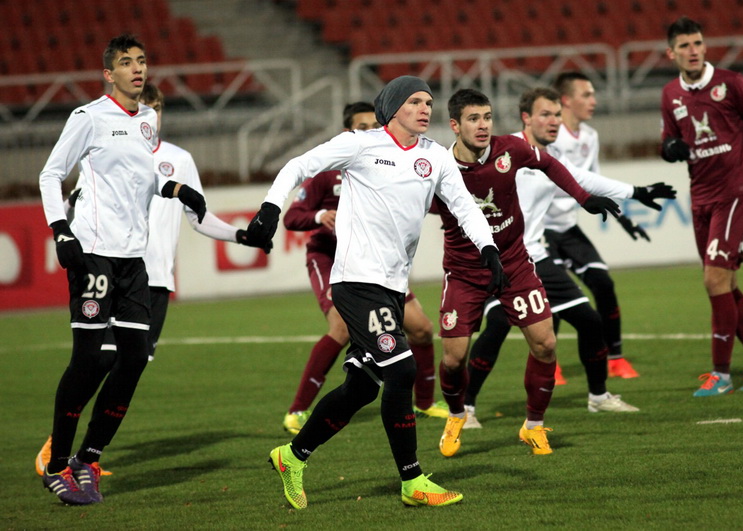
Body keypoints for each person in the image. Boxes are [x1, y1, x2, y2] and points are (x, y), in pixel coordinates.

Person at [246, 76, 502, 509]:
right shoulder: (361, 144)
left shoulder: (435, 156)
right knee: (401, 370)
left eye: (428, 102)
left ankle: (293, 455)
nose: (425, 108)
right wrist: (271, 207)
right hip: (356, 281)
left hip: (393, 287)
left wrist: (488, 248)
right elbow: (297, 166)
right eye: (415, 101)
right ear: (393, 107)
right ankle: (412, 480)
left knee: (362, 388)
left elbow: (463, 207)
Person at [34, 82, 267, 478]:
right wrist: (69, 238)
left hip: (155, 279)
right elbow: (74, 202)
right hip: (110, 266)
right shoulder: (106, 151)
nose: (151, 114)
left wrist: (240, 236)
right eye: (145, 106)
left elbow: (198, 217)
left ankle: (86, 458)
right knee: (99, 359)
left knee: (130, 364)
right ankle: (59, 450)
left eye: (156, 107)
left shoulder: (179, 159)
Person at [38, 34, 207, 505]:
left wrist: (175, 189)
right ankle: (56, 464)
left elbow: (142, 176)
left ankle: (88, 457)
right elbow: (51, 174)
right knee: (87, 360)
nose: (137, 68)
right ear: (108, 74)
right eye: (127, 63)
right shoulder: (89, 117)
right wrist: (61, 230)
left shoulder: (147, 120)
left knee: (133, 359)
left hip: (134, 258)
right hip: (94, 252)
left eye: (142, 61)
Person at [462, 87, 676, 428]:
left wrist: (636, 192)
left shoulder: (546, 158)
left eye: (557, 115)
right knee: (498, 325)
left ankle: (598, 397)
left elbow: (582, 178)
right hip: (496, 260)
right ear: (526, 118)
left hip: (534, 256)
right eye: (545, 114)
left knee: (590, 321)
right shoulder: (505, 150)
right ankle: (466, 408)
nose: (554, 121)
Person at [435, 88, 622, 457]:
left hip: (514, 262)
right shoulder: (438, 167)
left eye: (487, 117)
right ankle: (457, 414)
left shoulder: (510, 149)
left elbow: (549, 164)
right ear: (455, 125)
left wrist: (584, 198)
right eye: (473, 119)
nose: (483, 125)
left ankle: (533, 426)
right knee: (454, 359)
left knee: (546, 344)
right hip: (465, 271)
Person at [281, 102, 446, 434]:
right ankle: (297, 411)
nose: (370, 131)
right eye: (362, 126)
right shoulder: (328, 171)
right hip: (331, 259)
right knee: (341, 328)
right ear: (348, 132)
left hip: (375, 263)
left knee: (421, 328)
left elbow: (420, 197)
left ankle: (425, 403)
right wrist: (319, 216)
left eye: (375, 125)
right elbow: (292, 217)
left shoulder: (389, 163)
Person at [660, 16, 743, 397]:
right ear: (671, 53)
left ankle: (721, 374)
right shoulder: (670, 94)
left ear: (705, 46)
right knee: (726, 284)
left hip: (734, 194)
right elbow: (668, 139)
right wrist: (670, 148)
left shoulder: (730, 83)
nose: (693, 51)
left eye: (697, 43)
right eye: (685, 46)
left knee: (713, 279)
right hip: (700, 199)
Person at [542, 72, 641, 381]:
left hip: (568, 228)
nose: (594, 101)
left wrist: (623, 218)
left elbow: (595, 183)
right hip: (541, 230)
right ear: (566, 100)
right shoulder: (549, 135)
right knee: (553, 298)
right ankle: (549, 366)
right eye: (586, 95)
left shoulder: (590, 136)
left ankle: (616, 359)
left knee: (603, 284)